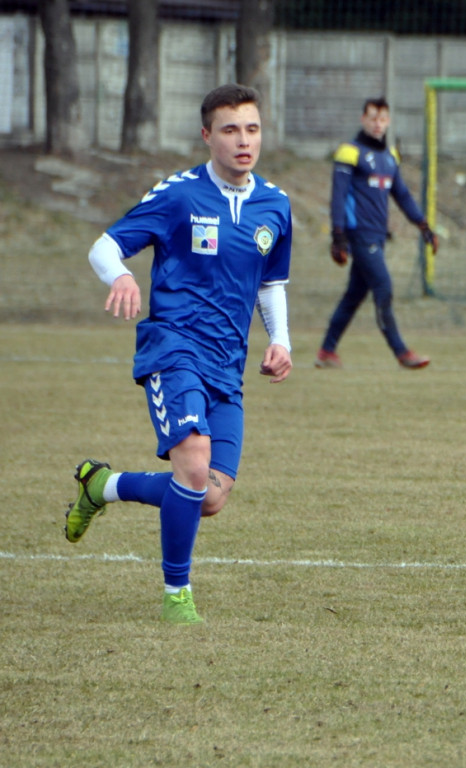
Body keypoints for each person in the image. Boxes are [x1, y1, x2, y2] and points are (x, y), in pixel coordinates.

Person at [64, 83, 293, 625]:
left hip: (227, 366)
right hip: (173, 348)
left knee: (209, 496)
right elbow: (105, 245)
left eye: (252, 129)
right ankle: (176, 596)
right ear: (207, 135)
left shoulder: (275, 206)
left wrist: (280, 340)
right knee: (192, 464)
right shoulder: (179, 195)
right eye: (231, 129)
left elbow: (271, 283)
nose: (244, 141)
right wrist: (120, 273)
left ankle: (103, 485)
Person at [315, 96, 438, 370]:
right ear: (363, 119)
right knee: (383, 287)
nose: (377, 124)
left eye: (383, 119)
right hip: (359, 236)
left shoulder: (390, 156)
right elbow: (338, 196)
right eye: (372, 118)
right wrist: (338, 236)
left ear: (388, 121)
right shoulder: (350, 152)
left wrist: (423, 225)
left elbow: (402, 195)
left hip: (377, 237)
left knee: (354, 295)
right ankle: (402, 352)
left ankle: (326, 351)